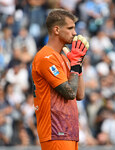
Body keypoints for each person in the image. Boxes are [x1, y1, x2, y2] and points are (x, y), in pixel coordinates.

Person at [31, 9, 89, 150]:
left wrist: (78, 62)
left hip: (68, 131)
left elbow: (79, 95)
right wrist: (74, 64)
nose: (75, 33)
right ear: (56, 30)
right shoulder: (46, 57)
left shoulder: (64, 57)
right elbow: (69, 93)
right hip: (55, 131)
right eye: (70, 28)